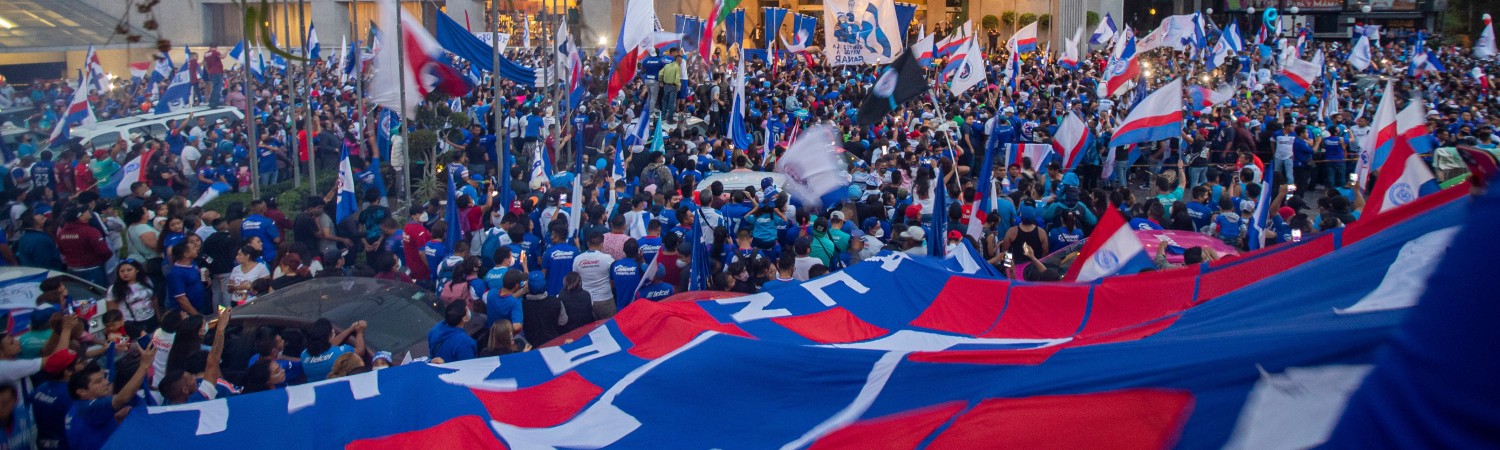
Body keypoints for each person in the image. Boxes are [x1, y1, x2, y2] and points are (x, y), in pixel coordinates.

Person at [66, 345, 156, 450]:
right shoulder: (89, 408)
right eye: (98, 382)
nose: (107, 382)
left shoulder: (78, 406)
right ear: (82, 392)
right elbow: (122, 399)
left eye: (103, 378)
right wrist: (144, 366)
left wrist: (116, 420)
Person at [301, 318, 367, 382]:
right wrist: (360, 332)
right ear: (329, 337)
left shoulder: (304, 355)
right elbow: (360, 351)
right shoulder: (340, 353)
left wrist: (350, 329)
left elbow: (331, 343)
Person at [107, 260, 157, 339]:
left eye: (129, 270)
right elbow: (112, 313)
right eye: (122, 271)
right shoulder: (114, 289)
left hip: (151, 319)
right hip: (131, 324)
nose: (125, 273)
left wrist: (158, 316)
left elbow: (154, 298)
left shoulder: (146, 281)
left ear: (137, 270)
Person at [573, 233, 616, 319]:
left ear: (588, 243)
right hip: (605, 298)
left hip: (585, 300)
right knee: (609, 326)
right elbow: (613, 279)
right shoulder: (608, 258)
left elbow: (576, 278)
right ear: (601, 244)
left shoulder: (578, 259)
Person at [164, 242, 209, 315]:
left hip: (200, 307)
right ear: (186, 254)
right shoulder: (176, 273)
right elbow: (181, 298)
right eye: (193, 248)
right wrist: (196, 315)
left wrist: (206, 277)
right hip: (187, 313)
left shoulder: (194, 265)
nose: (197, 249)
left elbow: (205, 284)